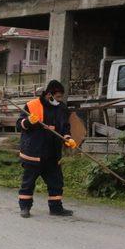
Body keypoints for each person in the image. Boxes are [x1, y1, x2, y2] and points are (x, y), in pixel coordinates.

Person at [16, 80, 77, 218]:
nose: (60, 100)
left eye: (61, 97)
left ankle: (56, 208)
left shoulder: (61, 108)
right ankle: (25, 208)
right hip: (33, 153)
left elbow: (65, 127)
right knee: (28, 183)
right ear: (49, 94)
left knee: (56, 182)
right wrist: (28, 122)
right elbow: (19, 125)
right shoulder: (32, 106)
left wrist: (68, 138)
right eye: (58, 97)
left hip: (52, 154)